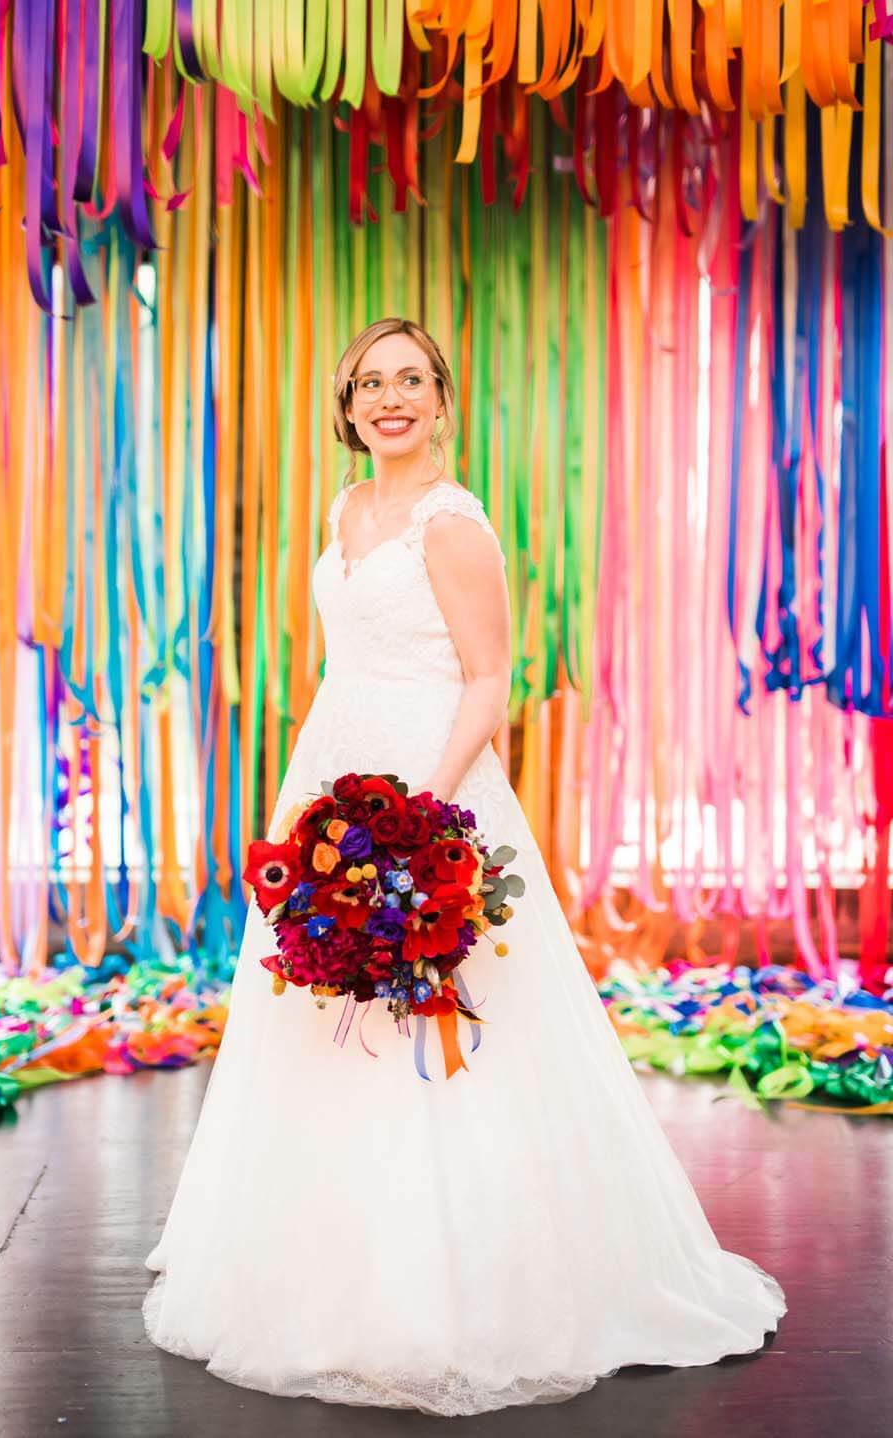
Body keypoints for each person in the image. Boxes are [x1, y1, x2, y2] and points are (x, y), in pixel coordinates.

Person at [142, 317, 786, 1417]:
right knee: (323, 1023)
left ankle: (457, 1290)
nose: (389, 399)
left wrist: (427, 818)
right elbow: (347, 662)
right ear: (347, 411)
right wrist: (318, 807)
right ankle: (320, 1273)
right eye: (368, 384)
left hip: (433, 790)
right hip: (337, 781)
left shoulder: (454, 523)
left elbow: (490, 678)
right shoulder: (347, 509)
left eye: (410, 380)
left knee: (446, 1030)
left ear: (442, 401)